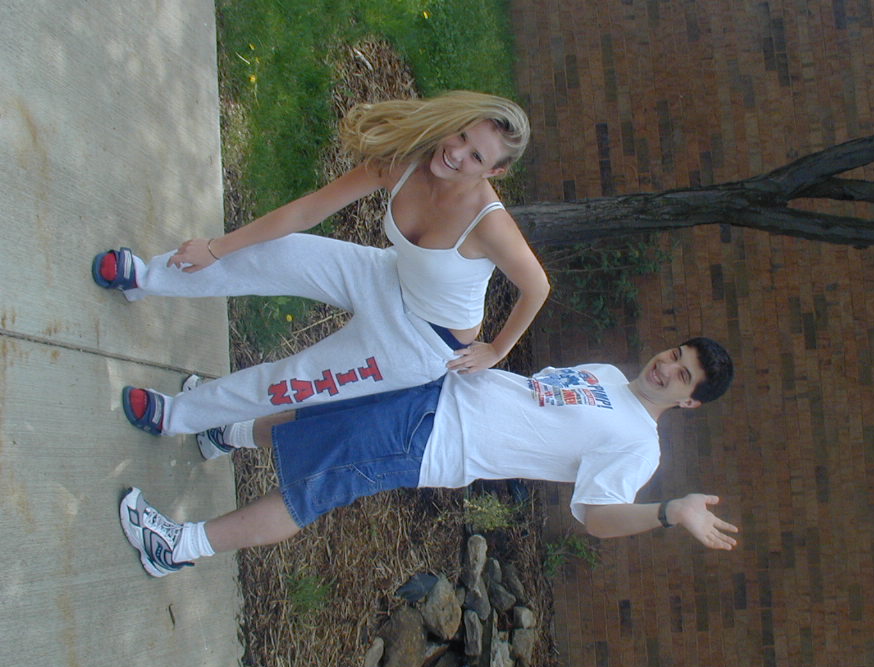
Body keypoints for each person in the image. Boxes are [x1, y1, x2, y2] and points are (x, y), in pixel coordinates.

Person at [91, 91, 549, 456]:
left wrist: (496, 350)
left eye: (476, 156)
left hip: (423, 342)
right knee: (275, 253)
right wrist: (216, 247)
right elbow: (307, 210)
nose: (456, 153)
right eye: (461, 135)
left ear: (495, 171)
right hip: (388, 277)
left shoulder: (489, 224)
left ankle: (175, 415)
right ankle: (145, 278)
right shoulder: (405, 162)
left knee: (291, 379)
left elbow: (537, 287)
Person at [118, 338, 738, 577]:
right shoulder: (609, 376)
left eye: (682, 376)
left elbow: (598, 517)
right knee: (317, 413)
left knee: (315, 486)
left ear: (689, 402)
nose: (667, 368)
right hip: (438, 392)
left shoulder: (639, 446)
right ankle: (223, 435)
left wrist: (668, 512)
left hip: (435, 441)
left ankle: (179, 547)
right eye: (674, 354)